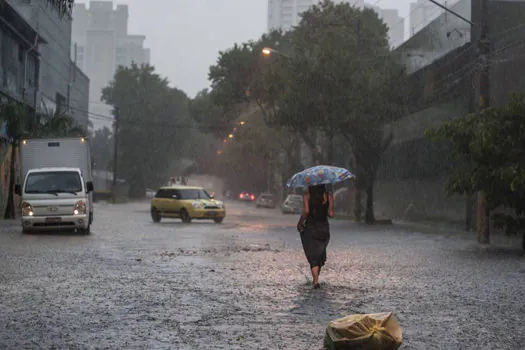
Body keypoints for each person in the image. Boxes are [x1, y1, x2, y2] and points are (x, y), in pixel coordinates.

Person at [297, 184, 334, 289]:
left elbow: (306, 211)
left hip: (311, 228)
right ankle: (316, 279)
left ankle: (315, 282)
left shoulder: (307, 195)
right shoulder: (328, 195)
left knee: (313, 256)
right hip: (324, 228)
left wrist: (300, 223)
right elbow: (331, 214)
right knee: (319, 254)